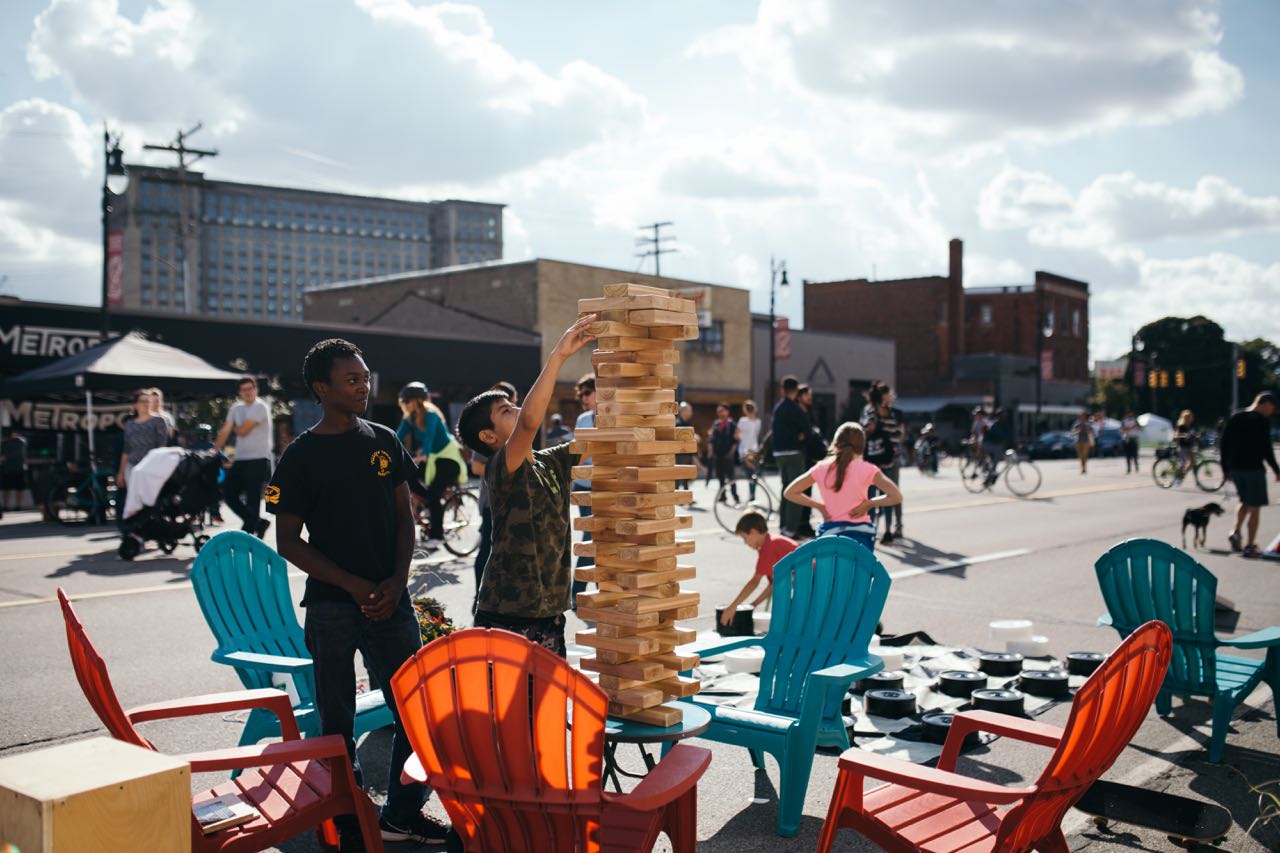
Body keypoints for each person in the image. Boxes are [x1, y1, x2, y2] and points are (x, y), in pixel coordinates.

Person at [267, 339, 448, 849]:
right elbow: (286, 542)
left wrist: (394, 582)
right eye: (352, 380)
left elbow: (404, 519)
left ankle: (402, 813)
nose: (364, 386)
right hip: (331, 608)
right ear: (322, 389)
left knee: (415, 710)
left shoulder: (384, 440)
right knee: (336, 720)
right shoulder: (299, 456)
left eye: (366, 376)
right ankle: (347, 820)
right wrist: (354, 586)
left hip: (391, 602)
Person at [456, 314, 597, 654]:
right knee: (510, 707)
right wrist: (558, 357)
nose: (518, 410)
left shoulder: (551, 461)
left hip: (550, 613)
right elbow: (530, 422)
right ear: (489, 436)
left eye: (514, 405)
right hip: (508, 616)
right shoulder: (500, 469)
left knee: (543, 706)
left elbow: (599, 433)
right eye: (506, 411)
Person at [782, 422, 903, 552]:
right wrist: (868, 504)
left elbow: (789, 492)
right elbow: (896, 496)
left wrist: (820, 507)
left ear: (836, 442)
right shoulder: (868, 469)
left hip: (830, 535)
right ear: (861, 446)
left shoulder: (821, 469)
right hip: (860, 537)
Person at [395, 382, 465, 549]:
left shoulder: (431, 416)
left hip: (448, 460)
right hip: (432, 460)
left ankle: (437, 535)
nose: (404, 404)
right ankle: (430, 503)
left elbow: (429, 438)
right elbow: (396, 437)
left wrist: (423, 455)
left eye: (407, 401)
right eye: (403, 401)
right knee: (405, 475)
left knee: (434, 492)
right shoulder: (409, 419)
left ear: (417, 401)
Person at [471, 382, 518, 607]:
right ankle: (480, 596)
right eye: (507, 408)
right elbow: (476, 466)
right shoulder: (487, 431)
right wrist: (503, 468)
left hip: (512, 504)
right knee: (488, 554)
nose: (517, 409)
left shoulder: (518, 435)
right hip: (493, 503)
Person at [1221, 391, 1279, 558]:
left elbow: (1224, 443)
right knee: (1255, 507)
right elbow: (1266, 449)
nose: (1272, 412)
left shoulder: (1236, 416)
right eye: (1272, 408)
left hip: (1236, 469)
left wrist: (1225, 469)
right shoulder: (1261, 421)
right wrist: (1276, 470)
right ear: (1264, 403)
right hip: (1253, 469)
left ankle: (1235, 531)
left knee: (1243, 501)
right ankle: (1250, 545)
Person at [215, 376, 274, 539]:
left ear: (256, 389)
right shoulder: (236, 408)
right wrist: (215, 451)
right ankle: (258, 523)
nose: (248, 392)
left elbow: (242, 431)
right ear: (240, 392)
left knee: (252, 498)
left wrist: (231, 426)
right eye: (244, 390)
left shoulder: (260, 407)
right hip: (240, 459)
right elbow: (225, 432)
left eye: (250, 388)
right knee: (228, 493)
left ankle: (247, 534)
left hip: (258, 458)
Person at [720, 510, 797, 626]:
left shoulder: (769, 547)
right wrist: (753, 604)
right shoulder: (771, 542)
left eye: (745, 538)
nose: (746, 543)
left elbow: (754, 582)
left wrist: (733, 606)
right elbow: (774, 584)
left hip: (810, 588)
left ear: (753, 532)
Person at [861, 384, 905, 544]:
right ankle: (887, 530)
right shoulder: (887, 412)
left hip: (875, 459)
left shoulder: (872, 410)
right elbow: (899, 433)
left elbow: (865, 430)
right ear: (883, 396)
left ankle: (873, 531)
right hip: (887, 458)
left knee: (872, 498)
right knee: (887, 496)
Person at [772, 376, 812, 538]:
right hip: (794, 452)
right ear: (796, 391)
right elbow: (807, 430)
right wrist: (801, 436)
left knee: (785, 489)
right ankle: (791, 528)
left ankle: (783, 525)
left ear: (782, 389)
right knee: (796, 489)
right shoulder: (796, 409)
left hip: (779, 453)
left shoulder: (778, 408)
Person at [571, 373, 596, 605]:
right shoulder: (584, 420)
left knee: (601, 539)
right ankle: (577, 594)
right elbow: (578, 455)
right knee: (591, 537)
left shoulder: (616, 417)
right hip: (585, 486)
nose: (584, 399)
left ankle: (597, 589)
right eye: (582, 396)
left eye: (587, 393)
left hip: (607, 487)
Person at [117, 388, 170, 494]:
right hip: (131, 467)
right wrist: (121, 472)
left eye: (148, 401)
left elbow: (161, 447)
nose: (146, 404)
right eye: (142, 401)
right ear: (135, 405)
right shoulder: (130, 425)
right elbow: (126, 450)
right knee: (133, 497)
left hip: (151, 467)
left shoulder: (159, 421)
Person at [709, 403, 739, 503]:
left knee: (731, 477)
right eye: (718, 411)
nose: (720, 413)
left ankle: (735, 496)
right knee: (720, 476)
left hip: (728, 455)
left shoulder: (732, 424)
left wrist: (731, 453)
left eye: (722, 411)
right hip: (718, 455)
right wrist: (711, 452)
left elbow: (736, 440)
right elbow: (712, 439)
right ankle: (723, 495)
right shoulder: (716, 424)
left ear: (727, 411)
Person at [736, 400, 762, 500]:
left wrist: (741, 437)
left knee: (749, 475)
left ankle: (751, 496)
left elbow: (737, 434)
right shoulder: (758, 422)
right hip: (754, 450)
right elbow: (756, 435)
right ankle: (753, 495)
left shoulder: (742, 421)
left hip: (744, 450)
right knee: (754, 474)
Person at [1, 428, 29, 517]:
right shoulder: (5, 443)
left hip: (18, 468)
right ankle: (5, 505)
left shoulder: (21, 442)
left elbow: (19, 454)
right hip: (8, 468)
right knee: (7, 489)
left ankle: (18, 505)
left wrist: (6, 457)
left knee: (19, 489)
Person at [981, 408, 1014, 485]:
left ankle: (990, 477)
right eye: (1002, 416)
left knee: (996, 458)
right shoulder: (995, 424)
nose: (1004, 417)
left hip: (995, 444)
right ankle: (992, 474)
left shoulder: (1003, 424)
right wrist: (1008, 441)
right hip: (987, 444)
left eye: (1005, 416)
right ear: (998, 416)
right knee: (997, 454)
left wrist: (1013, 441)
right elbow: (1000, 436)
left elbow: (1008, 435)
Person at [675, 402, 696, 496]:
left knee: (686, 477)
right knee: (678, 476)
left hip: (687, 454)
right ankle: (677, 497)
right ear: (683, 412)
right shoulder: (677, 423)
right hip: (680, 454)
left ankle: (685, 497)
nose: (691, 413)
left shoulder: (688, 423)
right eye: (689, 410)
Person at [1172, 410, 1198, 477]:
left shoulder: (1191, 426)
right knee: (1184, 463)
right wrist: (1184, 435)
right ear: (1185, 418)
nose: (1191, 418)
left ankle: (1182, 474)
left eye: (1191, 417)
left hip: (1190, 446)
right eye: (1189, 417)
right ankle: (1178, 476)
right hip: (1182, 447)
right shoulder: (1181, 426)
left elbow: (1192, 434)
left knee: (1192, 462)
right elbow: (1175, 436)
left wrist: (1196, 435)